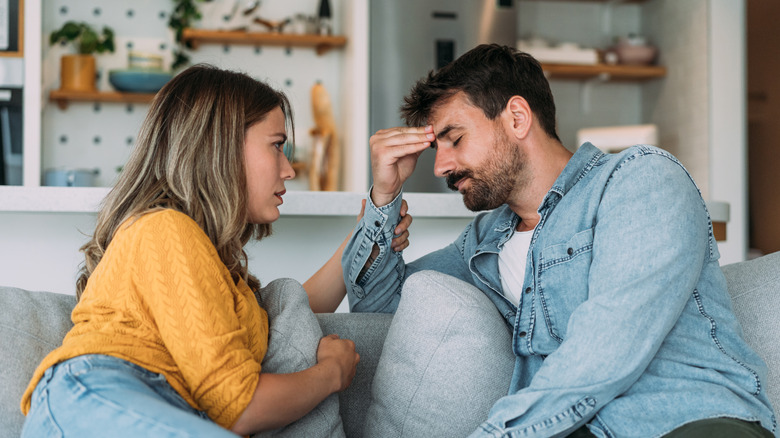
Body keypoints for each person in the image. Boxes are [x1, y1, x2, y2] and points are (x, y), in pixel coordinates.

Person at [341, 44, 776, 437]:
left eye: (455, 139)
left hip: (688, 420)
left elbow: (605, 348)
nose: (441, 166)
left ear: (516, 117)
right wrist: (384, 197)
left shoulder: (640, 179)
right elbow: (381, 310)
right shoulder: (484, 240)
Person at [19, 64, 412, 437]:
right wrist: (331, 373)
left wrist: (374, 221)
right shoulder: (163, 229)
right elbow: (239, 407)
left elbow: (292, 307)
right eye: (276, 146)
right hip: (98, 398)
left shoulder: (215, 270)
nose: (288, 169)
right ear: (220, 147)